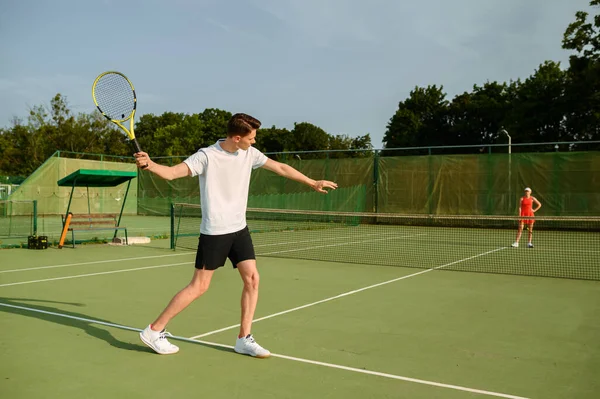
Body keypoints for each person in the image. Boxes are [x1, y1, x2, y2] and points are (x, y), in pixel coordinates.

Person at [135, 113, 338, 358]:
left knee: (252, 279)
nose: (254, 142)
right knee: (199, 286)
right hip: (215, 231)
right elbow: (172, 173)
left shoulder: (249, 154)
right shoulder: (206, 156)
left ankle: (244, 338)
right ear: (237, 137)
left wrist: (312, 182)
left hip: (239, 228)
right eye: (251, 138)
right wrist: (151, 164)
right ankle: (154, 331)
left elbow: (280, 167)